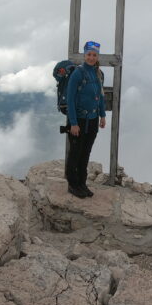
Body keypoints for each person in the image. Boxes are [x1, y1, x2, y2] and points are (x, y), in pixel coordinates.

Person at [64, 40, 106, 198]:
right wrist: (73, 123)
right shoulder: (78, 73)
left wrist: (102, 115)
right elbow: (70, 99)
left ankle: (82, 183)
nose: (91, 57)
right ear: (84, 55)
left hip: (93, 119)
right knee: (75, 153)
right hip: (79, 121)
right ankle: (73, 185)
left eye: (94, 55)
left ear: (97, 56)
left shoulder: (98, 73)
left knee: (86, 153)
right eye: (89, 54)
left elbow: (100, 97)